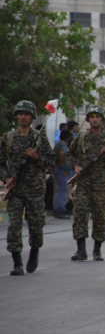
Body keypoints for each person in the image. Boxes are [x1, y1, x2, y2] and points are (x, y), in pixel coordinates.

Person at [1, 101, 55, 275]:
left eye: (27, 113)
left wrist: (37, 157)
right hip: (15, 191)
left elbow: (51, 162)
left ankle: (34, 251)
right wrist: (6, 178)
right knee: (14, 226)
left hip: (35, 190)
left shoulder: (40, 138)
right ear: (17, 116)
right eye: (20, 113)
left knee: (36, 226)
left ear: (32, 116)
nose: (23, 116)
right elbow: (1, 163)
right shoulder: (8, 137)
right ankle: (17, 263)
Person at [66, 105, 105, 261]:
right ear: (88, 120)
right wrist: (76, 166)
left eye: (97, 116)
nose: (95, 119)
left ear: (102, 119)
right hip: (83, 182)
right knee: (80, 213)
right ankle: (81, 249)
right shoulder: (82, 136)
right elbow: (70, 153)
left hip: (101, 184)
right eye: (92, 117)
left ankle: (97, 250)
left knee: (99, 216)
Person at [53, 129, 74, 219]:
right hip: (62, 171)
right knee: (62, 190)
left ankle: (61, 208)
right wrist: (62, 161)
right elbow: (61, 152)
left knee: (63, 189)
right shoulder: (62, 144)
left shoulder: (59, 143)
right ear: (68, 137)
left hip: (64, 171)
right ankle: (60, 209)